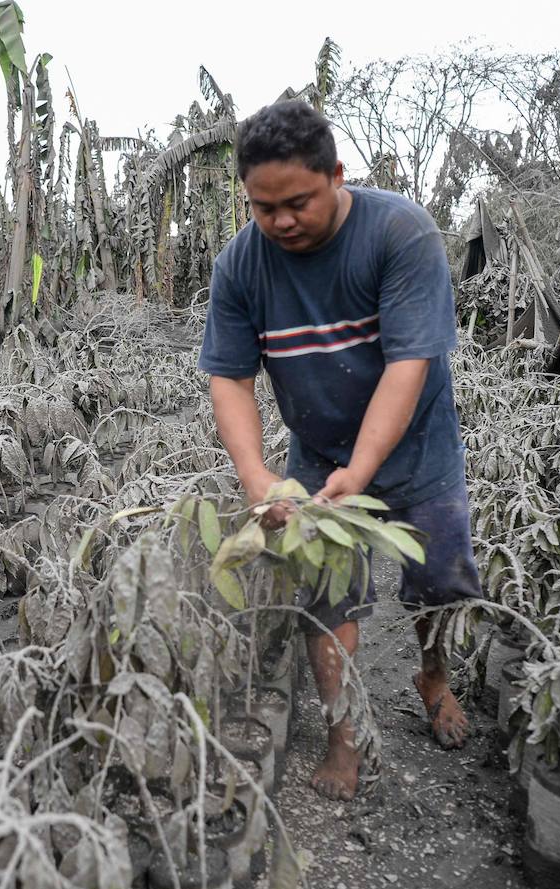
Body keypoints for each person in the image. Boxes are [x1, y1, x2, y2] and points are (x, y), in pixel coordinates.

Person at [197, 100, 483, 801]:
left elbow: (407, 367)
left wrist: (364, 470)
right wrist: (256, 474)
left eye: (297, 201)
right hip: (318, 450)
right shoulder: (240, 265)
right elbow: (230, 377)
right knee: (327, 594)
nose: (281, 221)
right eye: (264, 208)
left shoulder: (399, 233)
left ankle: (433, 672)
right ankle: (342, 734)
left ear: (337, 176)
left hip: (418, 447)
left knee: (438, 580)